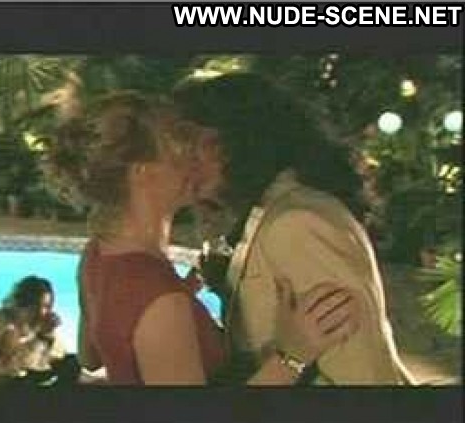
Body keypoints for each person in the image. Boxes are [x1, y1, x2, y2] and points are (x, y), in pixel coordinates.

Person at [47, 90, 360, 385]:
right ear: (142, 173)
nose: (191, 161)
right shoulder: (161, 298)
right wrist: (293, 355)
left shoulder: (96, 255)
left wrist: (185, 299)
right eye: (176, 147)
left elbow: (91, 356)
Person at [174, 73, 416, 385]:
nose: (182, 160)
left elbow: (361, 370)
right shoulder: (269, 213)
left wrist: (291, 356)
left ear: (241, 141)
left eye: (194, 144)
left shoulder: (297, 222)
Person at [0, 275, 78, 386]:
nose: (42, 312)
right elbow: (15, 366)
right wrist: (41, 336)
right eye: (38, 306)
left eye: (47, 306)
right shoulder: (3, 323)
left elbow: (57, 356)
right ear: (23, 303)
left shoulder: (39, 324)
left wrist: (49, 337)